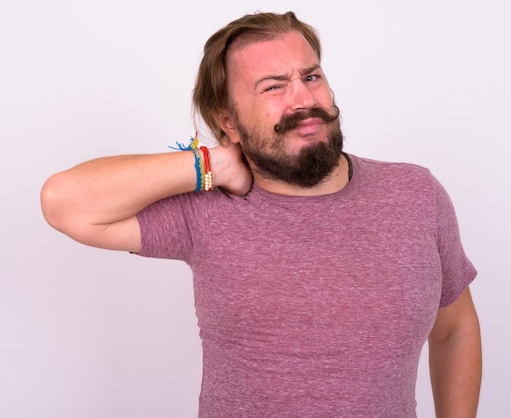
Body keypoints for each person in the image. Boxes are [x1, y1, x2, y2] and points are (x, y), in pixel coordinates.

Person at [41, 11, 481, 417]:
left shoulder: (416, 194)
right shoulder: (208, 208)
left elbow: (454, 328)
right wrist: (210, 165)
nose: (304, 99)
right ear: (228, 121)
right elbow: (65, 202)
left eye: (311, 76)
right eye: (273, 86)